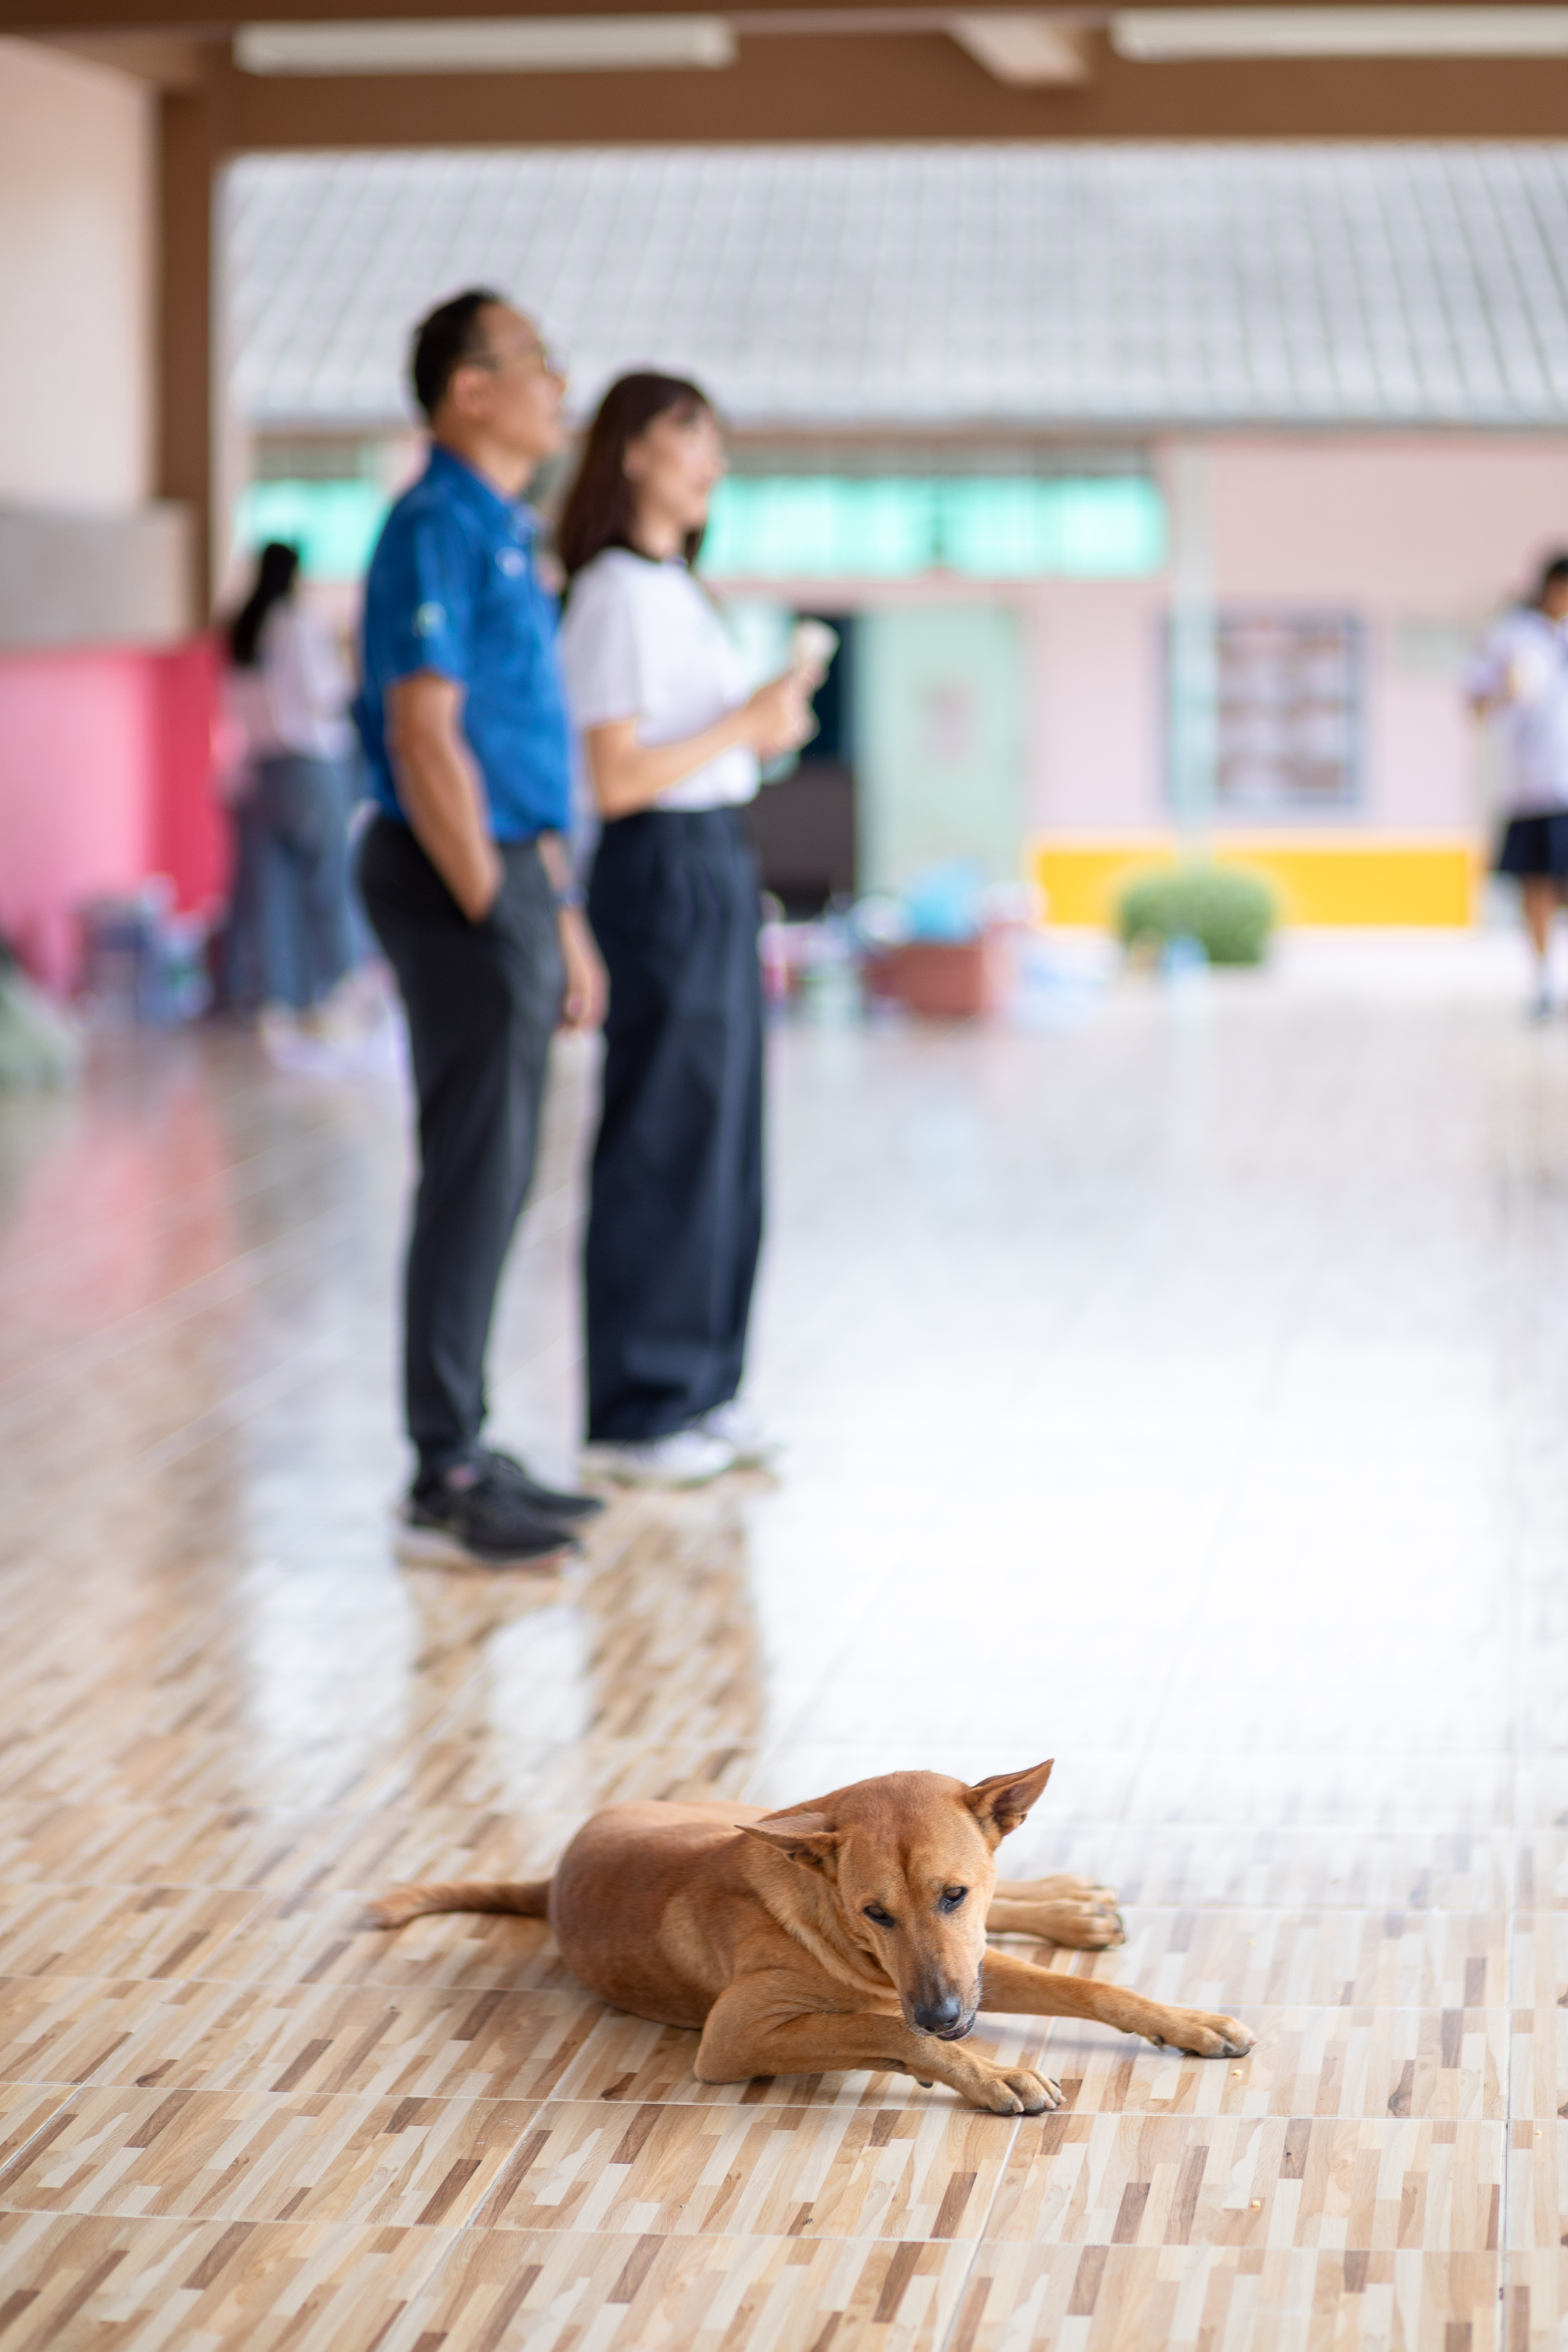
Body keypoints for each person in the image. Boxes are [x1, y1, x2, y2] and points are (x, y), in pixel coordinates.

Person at [355, 288, 607, 1567]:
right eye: (536, 361)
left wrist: (553, 913)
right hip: (453, 867)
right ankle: (442, 1473)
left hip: (507, 868)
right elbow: (424, 736)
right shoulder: (434, 524)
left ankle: (466, 1433)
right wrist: (493, 909)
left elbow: (514, 750)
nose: (557, 384)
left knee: (502, 1173)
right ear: (469, 387)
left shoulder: (505, 530)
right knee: (472, 1168)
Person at [557, 373, 815, 1486]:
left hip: (712, 854)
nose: (712, 461)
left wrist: (758, 728)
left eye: (716, 441)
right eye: (688, 436)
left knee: (723, 1129)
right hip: (658, 863)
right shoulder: (612, 593)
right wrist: (741, 723)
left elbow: (702, 747)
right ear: (631, 452)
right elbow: (616, 777)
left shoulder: (674, 591)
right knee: (665, 1128)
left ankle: (705, 1386)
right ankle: (639, 1409)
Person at [222, 540, 360, 1036]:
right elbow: (326, 695)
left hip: (258, 768)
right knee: (327, 882)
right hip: (308, 765)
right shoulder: (299, 625)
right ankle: (333, 993)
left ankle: (274, 999)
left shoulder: (242, 628)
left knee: (270, 893)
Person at [1469, 550, 1568, 1018]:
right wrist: (1503, 691)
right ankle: (1542, 979)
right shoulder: (1513, 636)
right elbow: (1475, 700)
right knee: (1538, 884)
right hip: (1533, 786)